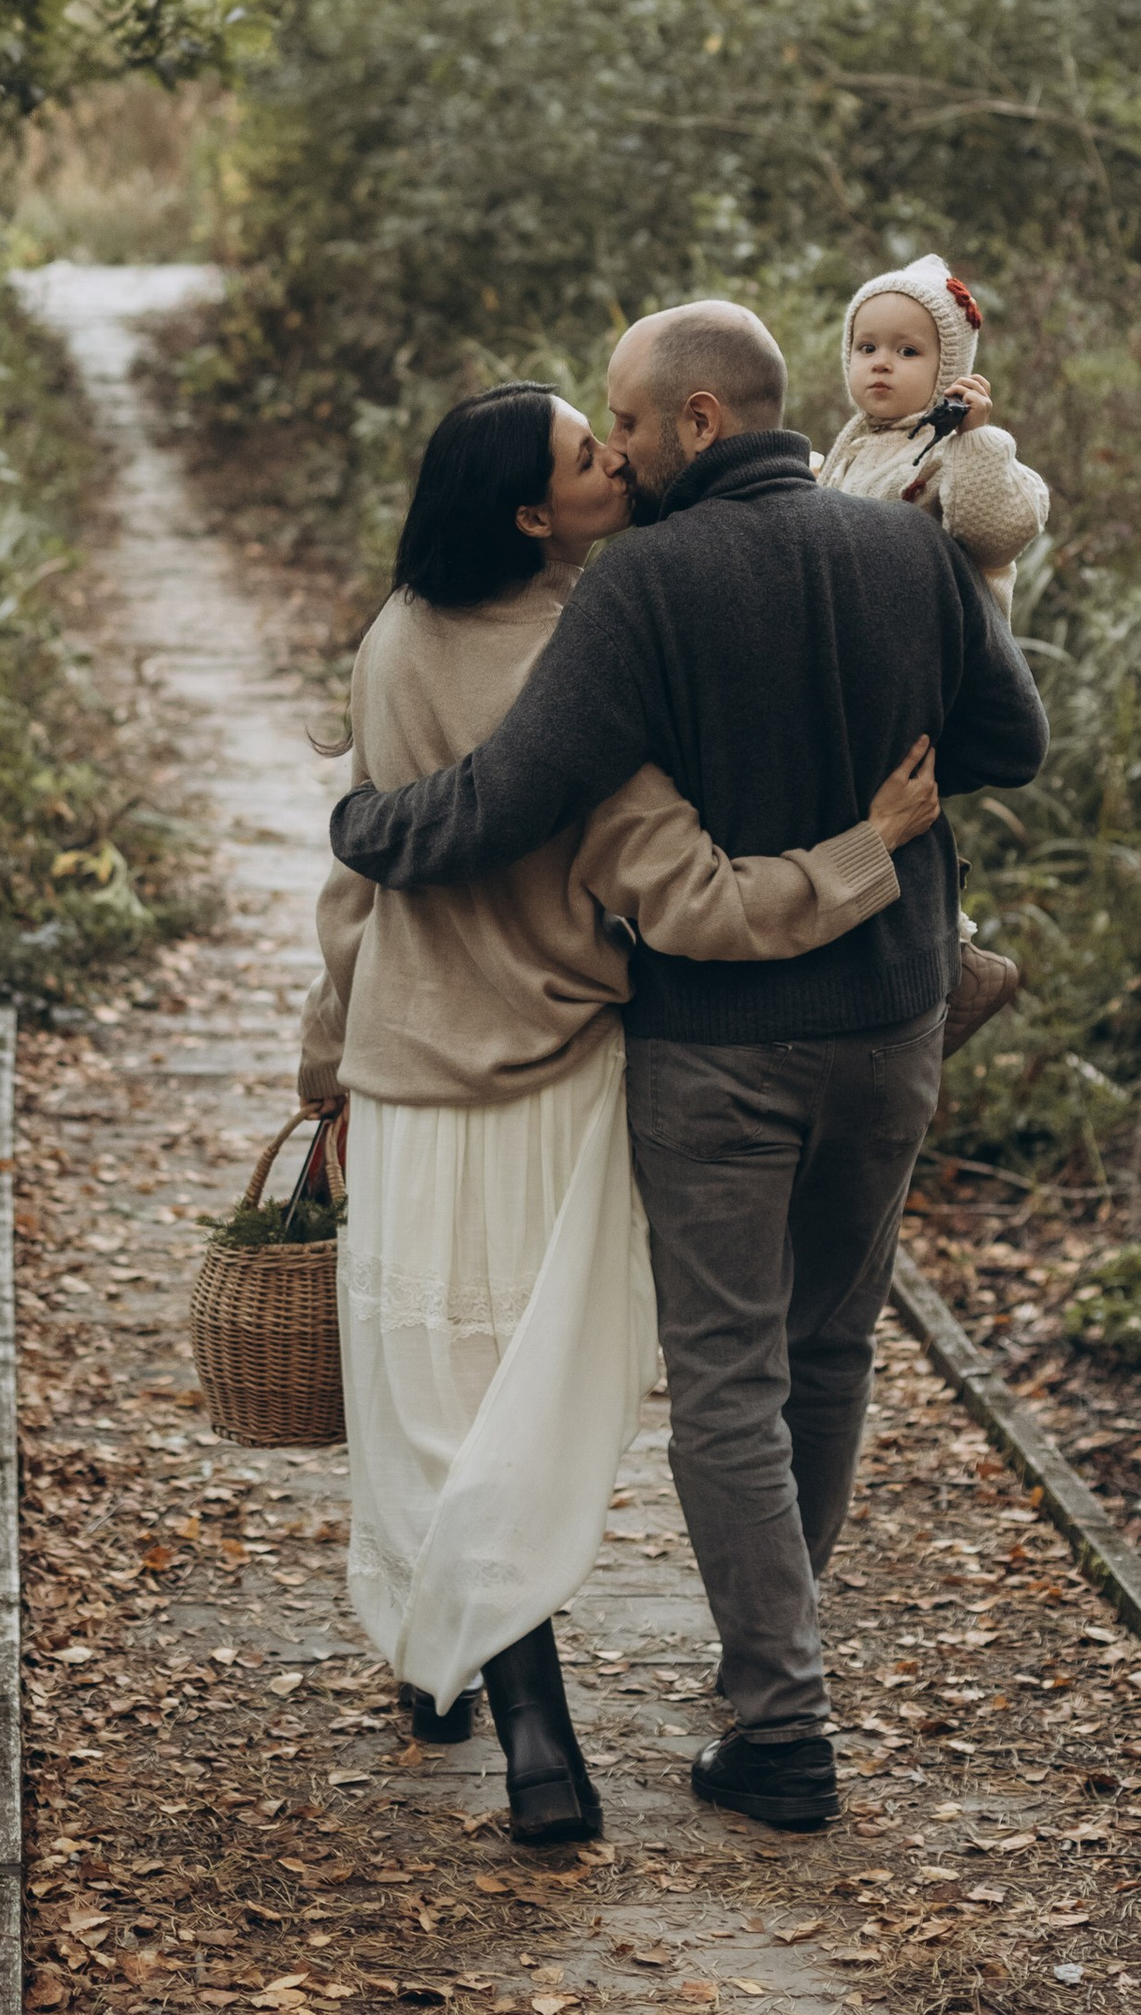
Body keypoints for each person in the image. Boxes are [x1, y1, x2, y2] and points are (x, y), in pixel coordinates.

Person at [328, 303, 1049, 1835]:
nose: (624, 455)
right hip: (895, 1013)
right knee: (832, 1348)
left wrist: (366, 831)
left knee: (725, 1371)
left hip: (719, 1043)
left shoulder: (640, 585)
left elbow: (516, 789)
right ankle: (770, 1667)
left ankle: (783, 1717)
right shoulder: (910, 551)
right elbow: (1014, 741)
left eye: (628, 428)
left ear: (697, 425)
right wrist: (879, 757)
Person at [817, 253, 1052, 1052]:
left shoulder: (961, 450)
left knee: (904, 805)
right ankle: (920, 959)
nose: (882, 362)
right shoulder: (851, 448)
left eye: (909, 351)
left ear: (949, 370)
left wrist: (980, 442)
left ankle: (952, 960)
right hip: (866, 664)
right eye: (868, 347)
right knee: (876, 809)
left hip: (936, 665)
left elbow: (999, 528)